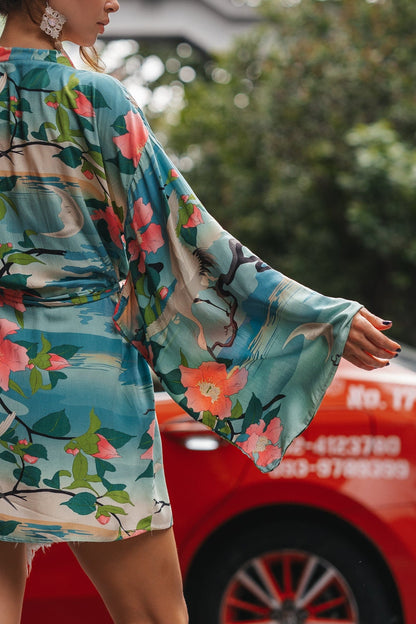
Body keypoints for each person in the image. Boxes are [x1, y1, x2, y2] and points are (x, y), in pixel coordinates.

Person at [0, 1, 401, 623]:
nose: (112, 2)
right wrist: (319, 316)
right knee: (158, 616)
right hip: (85, 391)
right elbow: (186, 241)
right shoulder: (93, 99)